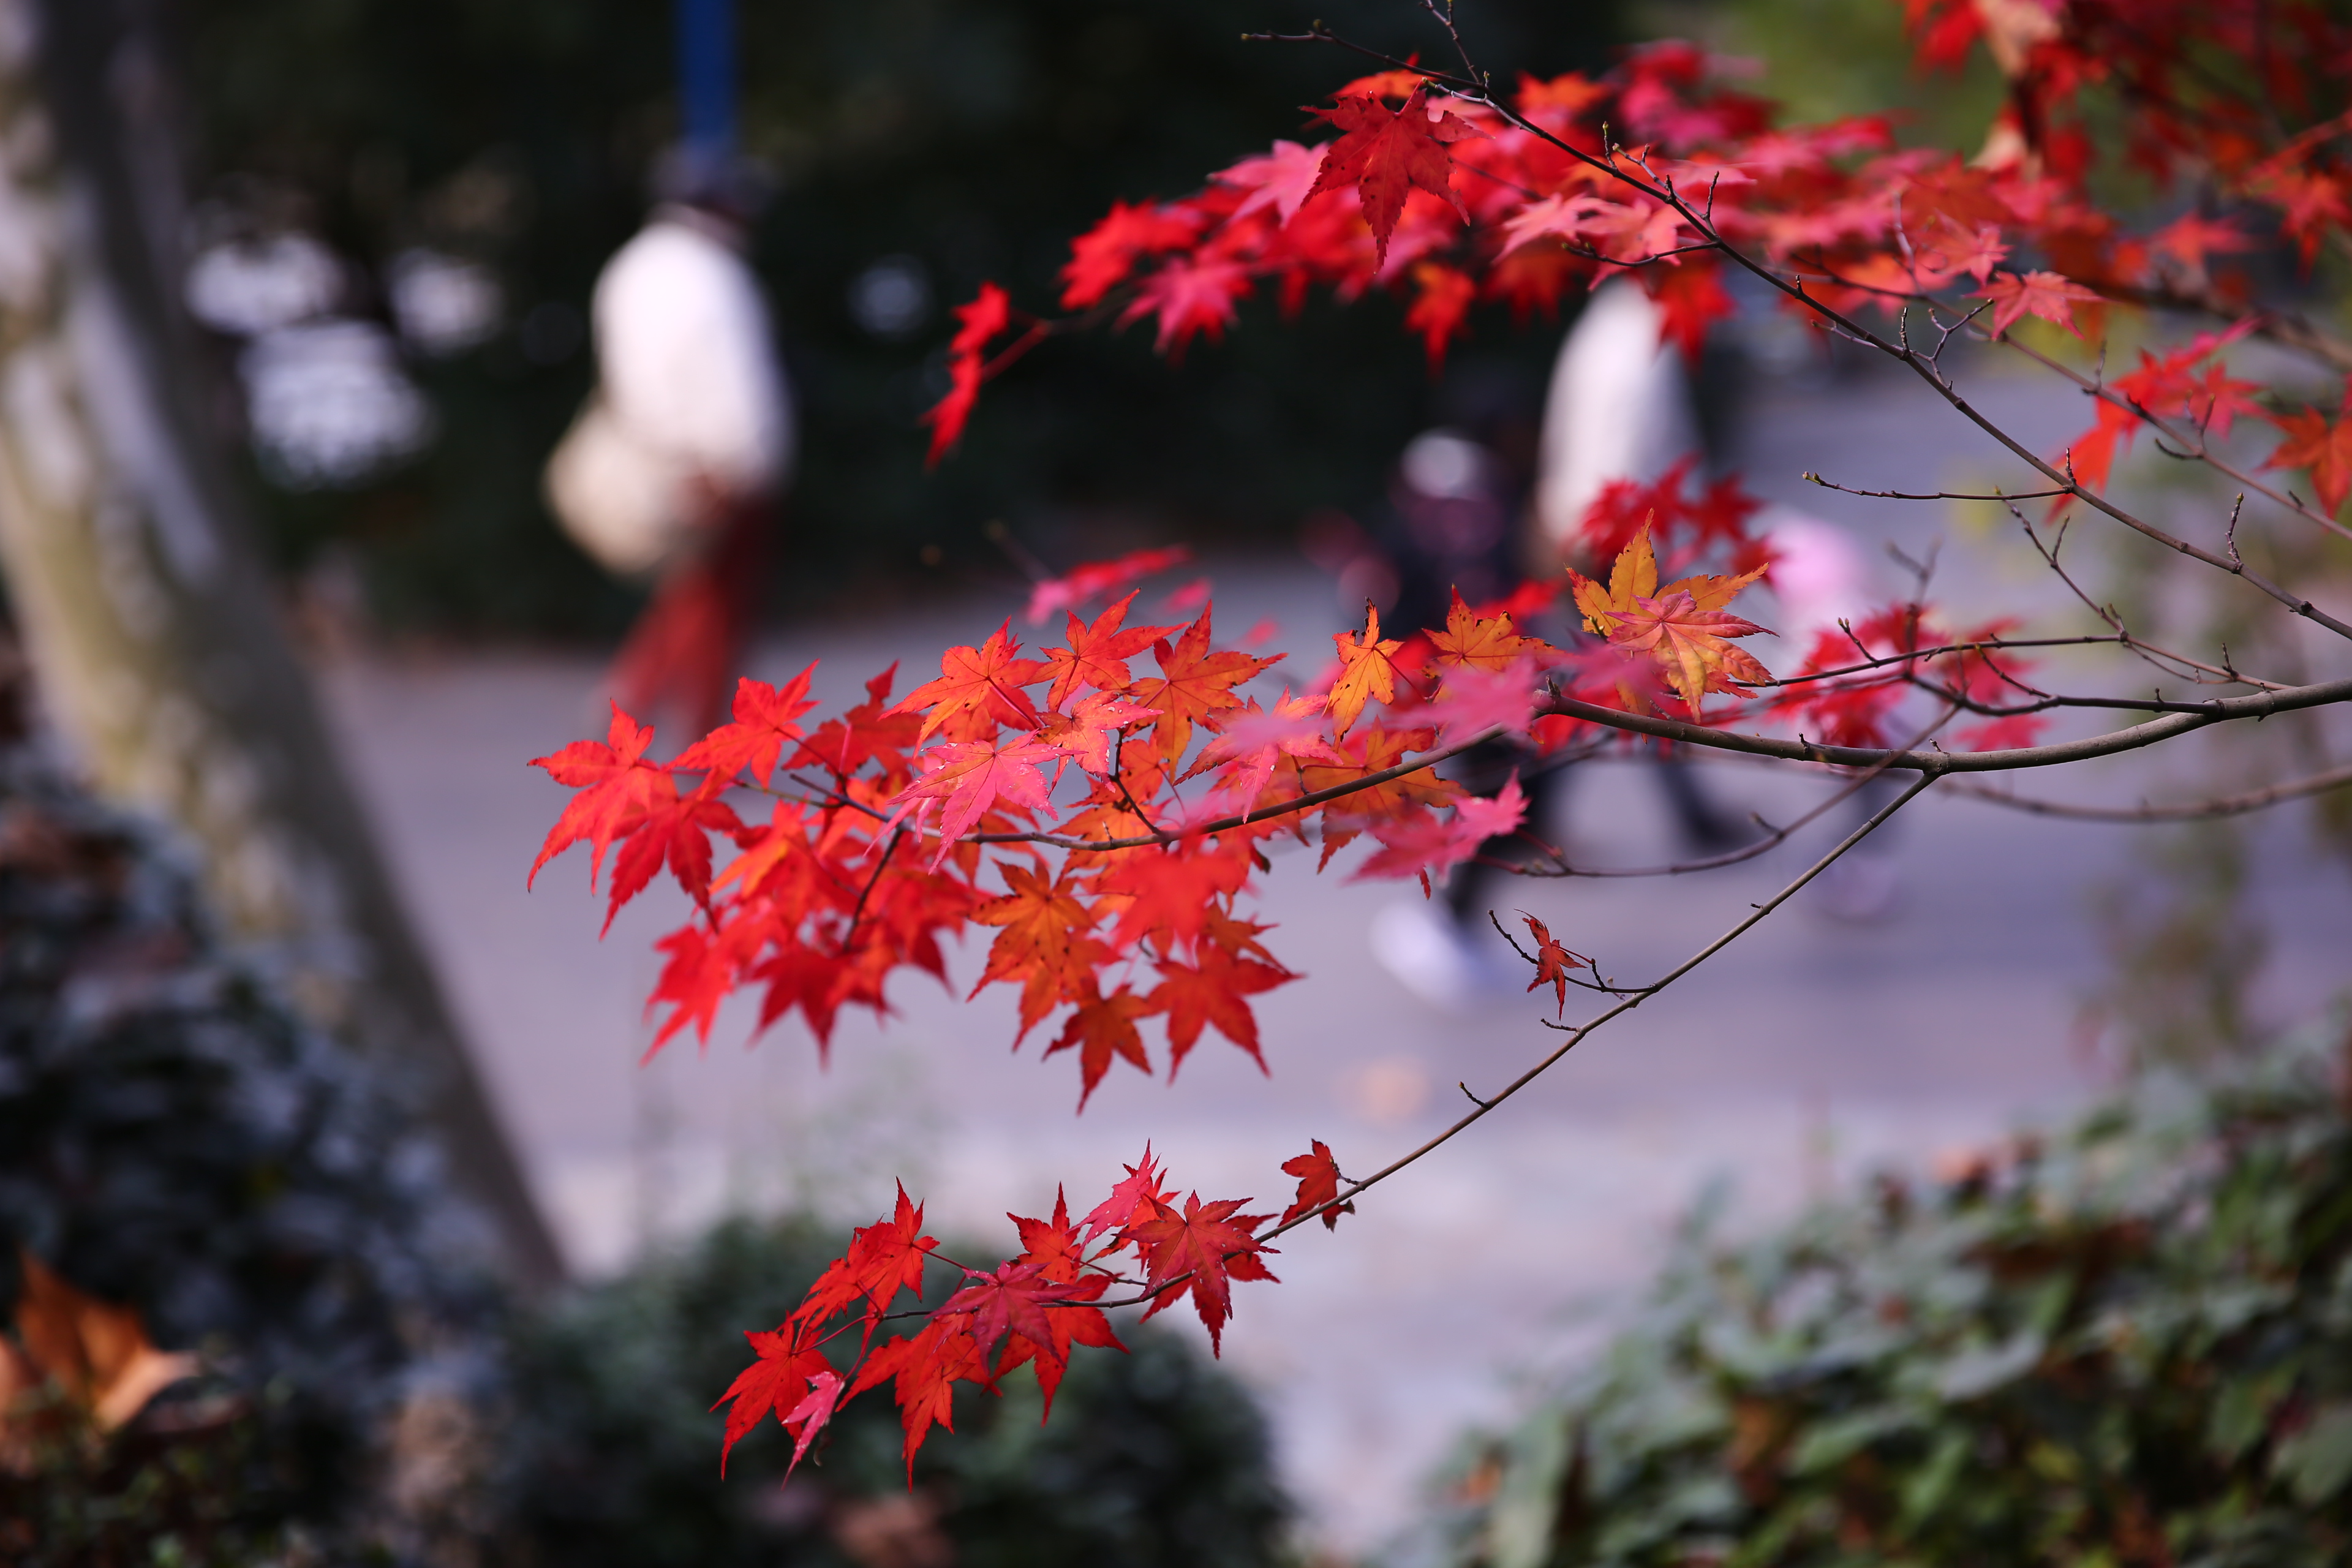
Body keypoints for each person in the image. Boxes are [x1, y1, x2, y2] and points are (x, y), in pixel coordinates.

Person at [1371, 278, 1748, 1008]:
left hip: (1477, 669)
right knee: (1516, 782)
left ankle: (1447, 925)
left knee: (1542, 766)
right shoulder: (1468, 504)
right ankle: (1438, 926)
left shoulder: (1460, 485)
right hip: (1468, 675)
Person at [544, 168, 794, 734]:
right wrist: (748, 461)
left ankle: (634, 704)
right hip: (718, 461)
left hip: (656, 452)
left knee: (690, 591)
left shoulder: (631, 267)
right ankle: (698, 732)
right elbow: (736, 378)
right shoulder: (711, 273)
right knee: (718, 604)